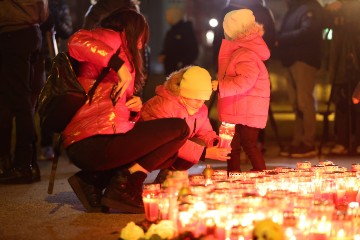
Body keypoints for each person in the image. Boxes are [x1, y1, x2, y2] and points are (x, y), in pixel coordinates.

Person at [64, 9, 189, 213]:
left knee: (167, 150)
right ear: (132, 29)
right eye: (142, 37)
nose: (141, 45)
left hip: (98, 140)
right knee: (180, 129)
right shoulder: (111, 37)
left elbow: (114, 111)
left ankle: (91, 181)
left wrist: (134, 110)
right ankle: (125, 186)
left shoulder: (123, 52)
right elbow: (76, 41)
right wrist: (118, 65)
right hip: (92, 140)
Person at [140, 66, 231, 183]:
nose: (200, 104)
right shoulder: (164, 105)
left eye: (204, 100)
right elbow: (168, 141)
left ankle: (167, 177)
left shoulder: (200, 109)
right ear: (184, 93)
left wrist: (216, 143)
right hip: (146, 149)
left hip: (170, 149)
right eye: (197, 99)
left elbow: (205, 132)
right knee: (193, 146)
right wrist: (204, 153)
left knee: (199, 143)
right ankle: (132, 178)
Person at [212, 0, 276, 153]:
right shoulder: (262, 11)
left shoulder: (245, 53)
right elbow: (272, 37)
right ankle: (235, 170)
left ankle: (257, 169)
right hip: (235, 102)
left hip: (240, 100)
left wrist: (222, 85)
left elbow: (244, 81)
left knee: (247, 143)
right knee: (234, 144)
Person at [0, 0, 48, 183]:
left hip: (12, 31)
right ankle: (24, 162)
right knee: (22, 98)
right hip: (30, 31)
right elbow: (44, 11)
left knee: (18, 99)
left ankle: (23, 164)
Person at [276, 0, 324, 158]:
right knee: (297, 104)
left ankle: (308, 142)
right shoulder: (293, 10)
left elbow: (308, 31)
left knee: (305, 102)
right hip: (291, 60)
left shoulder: (309, 9)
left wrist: (281, 39)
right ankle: (298, 141)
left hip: (303, 60)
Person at [36, 0, 73, 161]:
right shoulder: (35, 4)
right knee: (42, 104)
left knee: (58, 102)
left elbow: (67, 30)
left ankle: (61, 143)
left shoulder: (60, 5)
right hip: (37, 58)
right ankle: (45, 145)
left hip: (55, 60)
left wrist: (54, 17)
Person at [322, 0, 360, 155]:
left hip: (354, 65)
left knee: (356, 104)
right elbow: (323, 22)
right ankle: (342, 140)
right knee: (342, 104)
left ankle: (356, 141)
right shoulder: (337, 13)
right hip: (341, 68)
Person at [158, 6, 199, 76]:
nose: (167, 17)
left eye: (169, 15)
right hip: (170, 71)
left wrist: (182, 63)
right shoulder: (171, 32)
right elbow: (168, 48)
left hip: (181, 72)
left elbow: (193, 50)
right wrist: (163, 54)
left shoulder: (186, 30)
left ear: (175, 15)